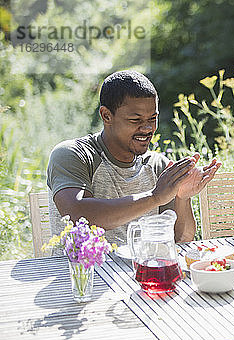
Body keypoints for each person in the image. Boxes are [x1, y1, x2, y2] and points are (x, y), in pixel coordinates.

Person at [47, 70, 221, 246]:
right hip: (81, 272)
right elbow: (77, 216)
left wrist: (182, 198)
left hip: (142, 270)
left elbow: (180, 239)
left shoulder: (157, 165)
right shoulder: (73, 155)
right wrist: (154, 197)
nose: (147, 128)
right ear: (106, 115)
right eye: (135, 120)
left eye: (153, 118)